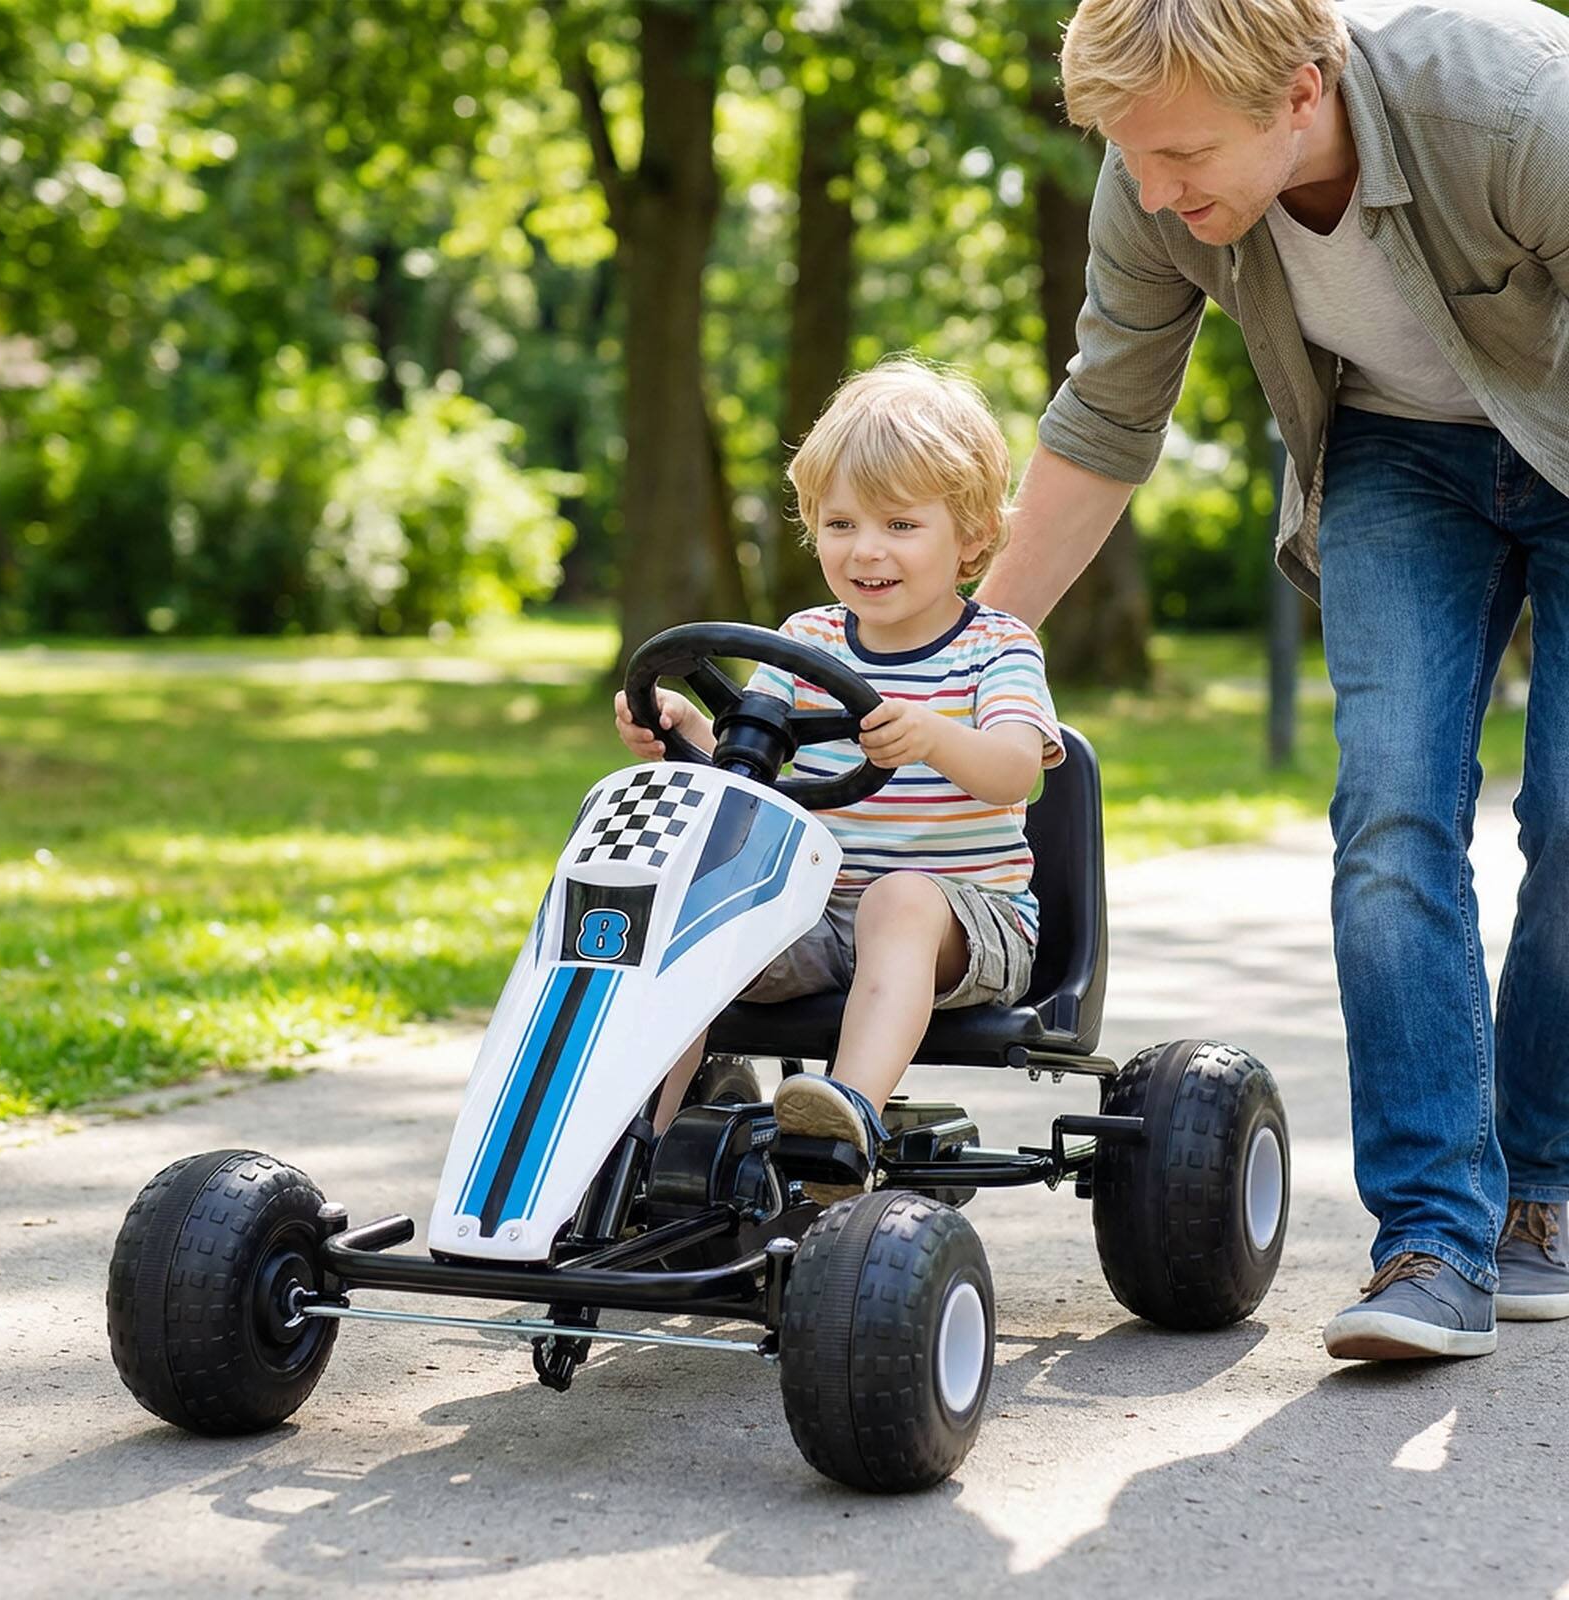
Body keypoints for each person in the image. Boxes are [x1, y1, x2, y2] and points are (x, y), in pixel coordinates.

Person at [975, 0, 1569, 1358]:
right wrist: (976, 656)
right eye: (1134, 157)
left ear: (1301, 93)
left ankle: (1545, 1187)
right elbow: (1107, 415)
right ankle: (1431, 1239)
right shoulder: (1154, 181)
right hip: (1397, 460)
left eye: (1184, 156)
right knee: (1391, 818)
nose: (1158, 188)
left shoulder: (1521, 110)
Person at [614, 357, 1065, 1201]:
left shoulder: (996, 647)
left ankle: (840, 1133)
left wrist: (934, 735)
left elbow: (1017, 773)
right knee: (688, 909)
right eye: (841, 523)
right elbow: (747, 756)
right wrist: (685, 730)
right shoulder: (806, 639)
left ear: (969, 538)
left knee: (900, 897)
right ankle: (636, 1148)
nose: (865, 550)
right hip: (817, 917)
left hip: (969, 925)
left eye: (900, 525)